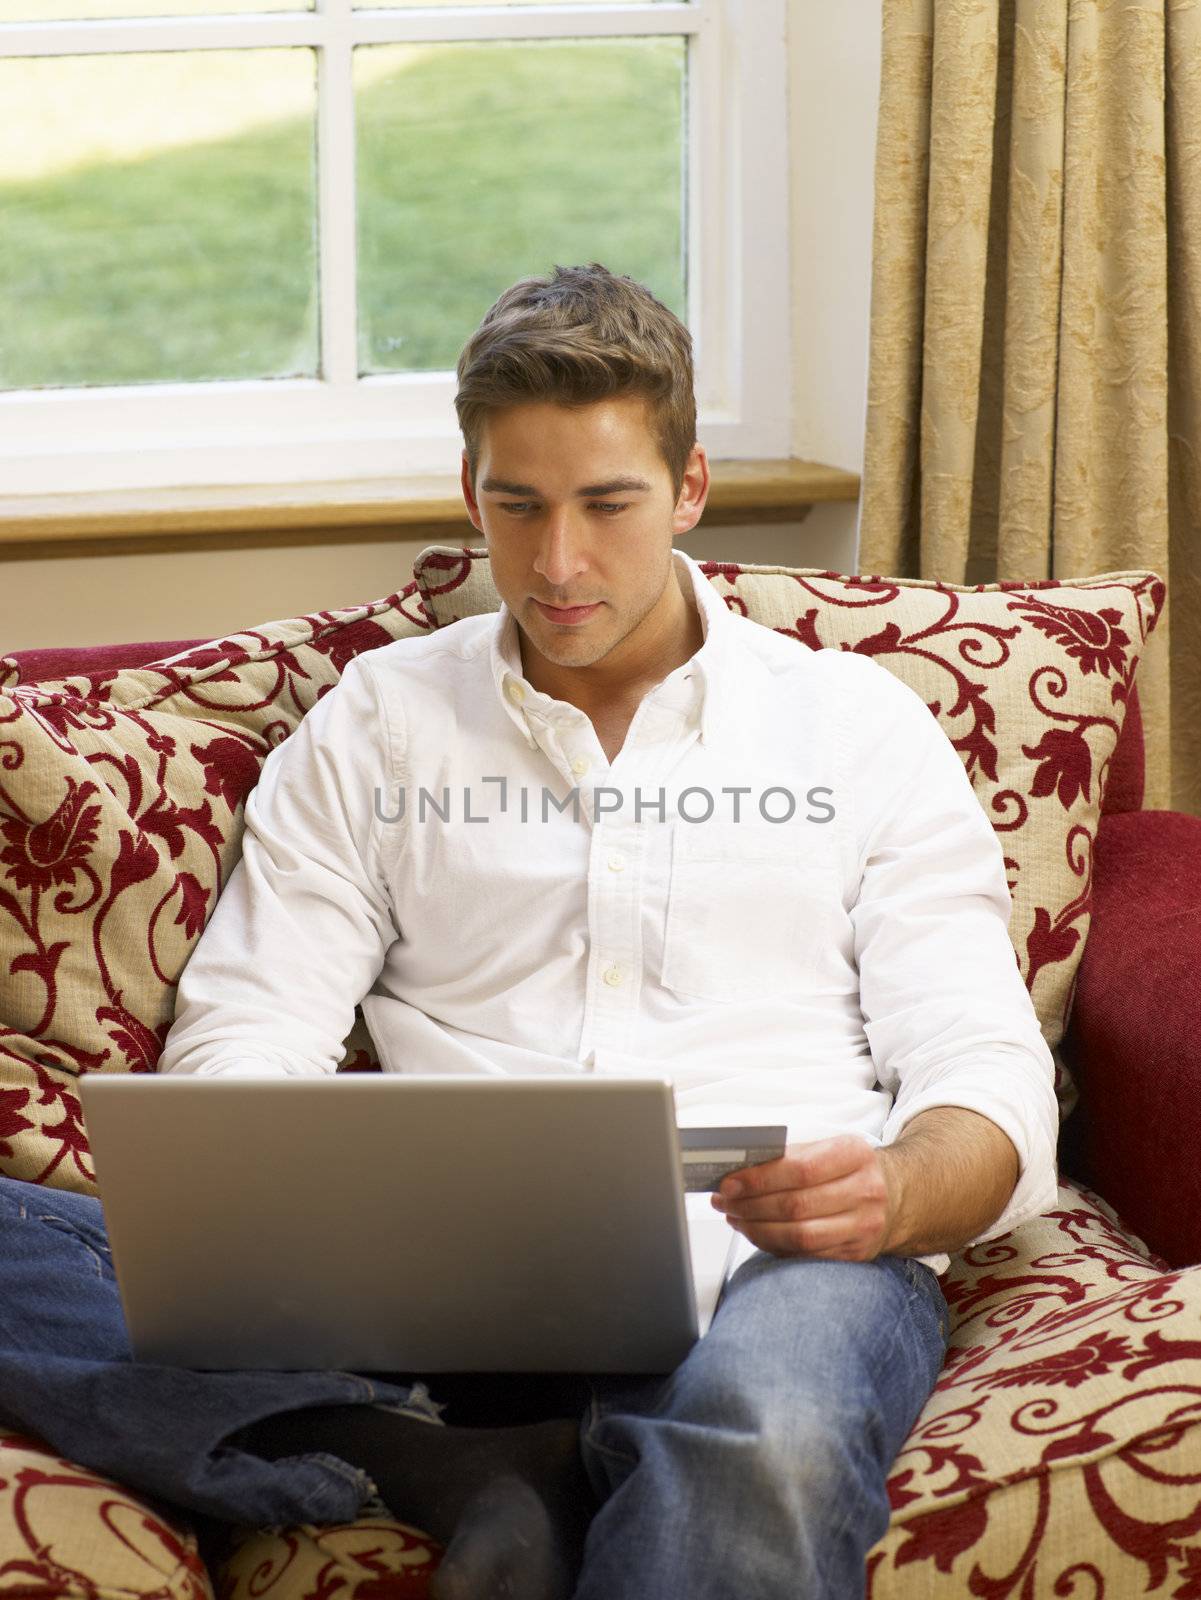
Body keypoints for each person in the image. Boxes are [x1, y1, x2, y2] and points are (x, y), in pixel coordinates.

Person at [0, 263, 1060, 1600]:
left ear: (687, 493)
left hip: (777, 1271)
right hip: (437, 1282)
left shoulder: (853, 731)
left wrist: (898, 1192)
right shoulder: (380, 724)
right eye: (519, 506)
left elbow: (983, 1062)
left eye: (608, 506)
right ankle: (448, 1460)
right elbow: (250, 1036)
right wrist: (281, 1221)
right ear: (470, 496)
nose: (558, 564)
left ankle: (467, 1452)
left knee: (767, 1439)